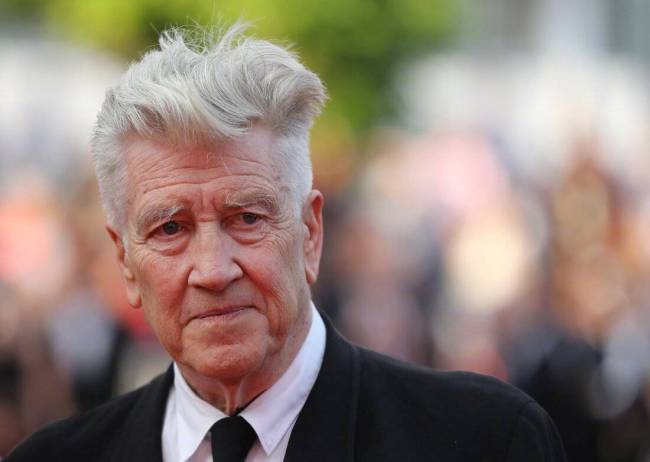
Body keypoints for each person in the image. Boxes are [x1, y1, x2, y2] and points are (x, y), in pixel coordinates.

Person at [6, 24, 566, 461]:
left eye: (247, 218)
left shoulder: (485, 442)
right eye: (170, 229)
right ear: (126, 262)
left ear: (311, 234)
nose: (213, 269)